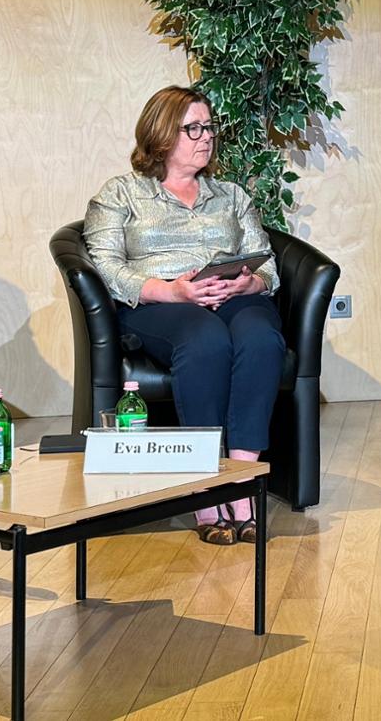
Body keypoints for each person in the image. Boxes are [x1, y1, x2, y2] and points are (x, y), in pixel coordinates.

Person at [83, 85, 285, 546]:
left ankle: (241, 480)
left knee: (261, 338)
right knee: (205, 339)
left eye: (209, 127)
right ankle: (203, 483)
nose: (206, 136)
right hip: (159, 304)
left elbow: (266, 260)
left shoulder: (230, 194)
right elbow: (108, 268)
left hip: (231, 294)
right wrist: (173, 291)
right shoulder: (121, 194)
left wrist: (249, 282)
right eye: (192, 128)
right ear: (160, 134)